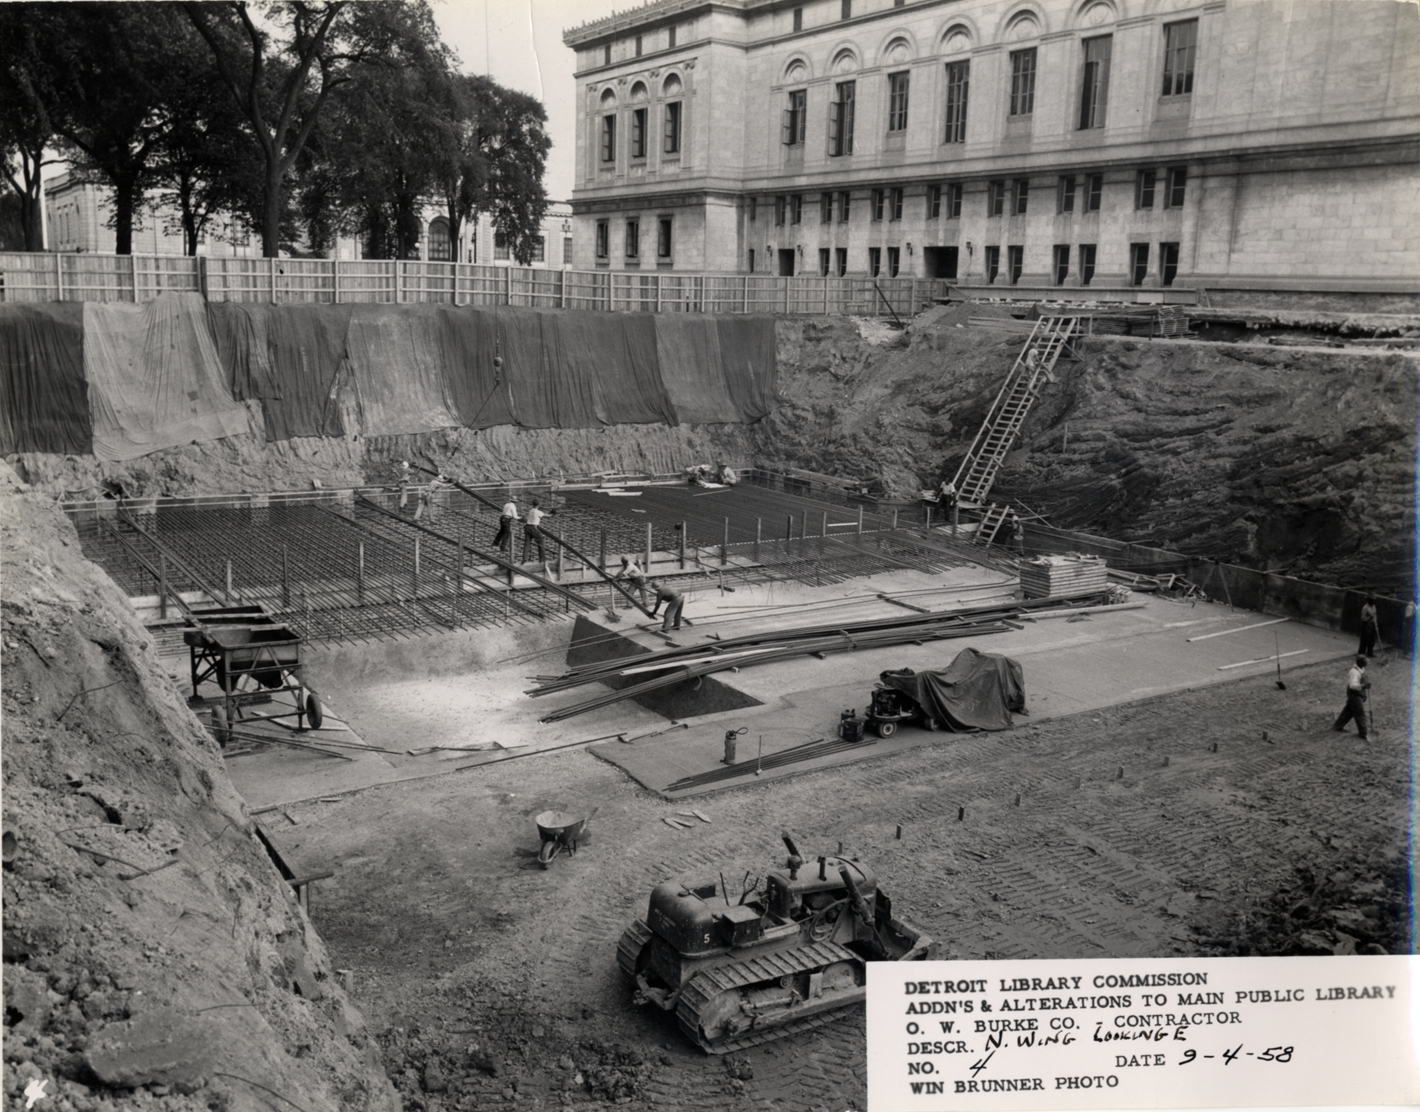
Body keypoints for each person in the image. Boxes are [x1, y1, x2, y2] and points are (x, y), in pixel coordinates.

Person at [1333, 656, 1371, 740]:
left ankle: (1338, 726)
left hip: (1358, 693)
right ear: (1359, 662)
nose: (1367, 663)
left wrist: (1364, 693)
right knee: (1360, 713)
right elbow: (1352, 685)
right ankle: (1363, 733)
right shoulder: (1354, 672)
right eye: (1365, 662)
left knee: (1349, 710)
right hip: (1354, 694)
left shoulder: (1361, 669)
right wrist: (1363, 686)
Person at [521, 498, 553, 565]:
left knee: (527, 544)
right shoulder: (538, 512)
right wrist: (553, 513)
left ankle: (524, 560)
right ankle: (542, 559)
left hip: (527, 527)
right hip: (533, 528)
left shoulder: (530, 511)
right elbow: (549, 516)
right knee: (541, 543)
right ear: (538, 505)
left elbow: (542, 514)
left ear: (532, 504)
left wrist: (549, 513)